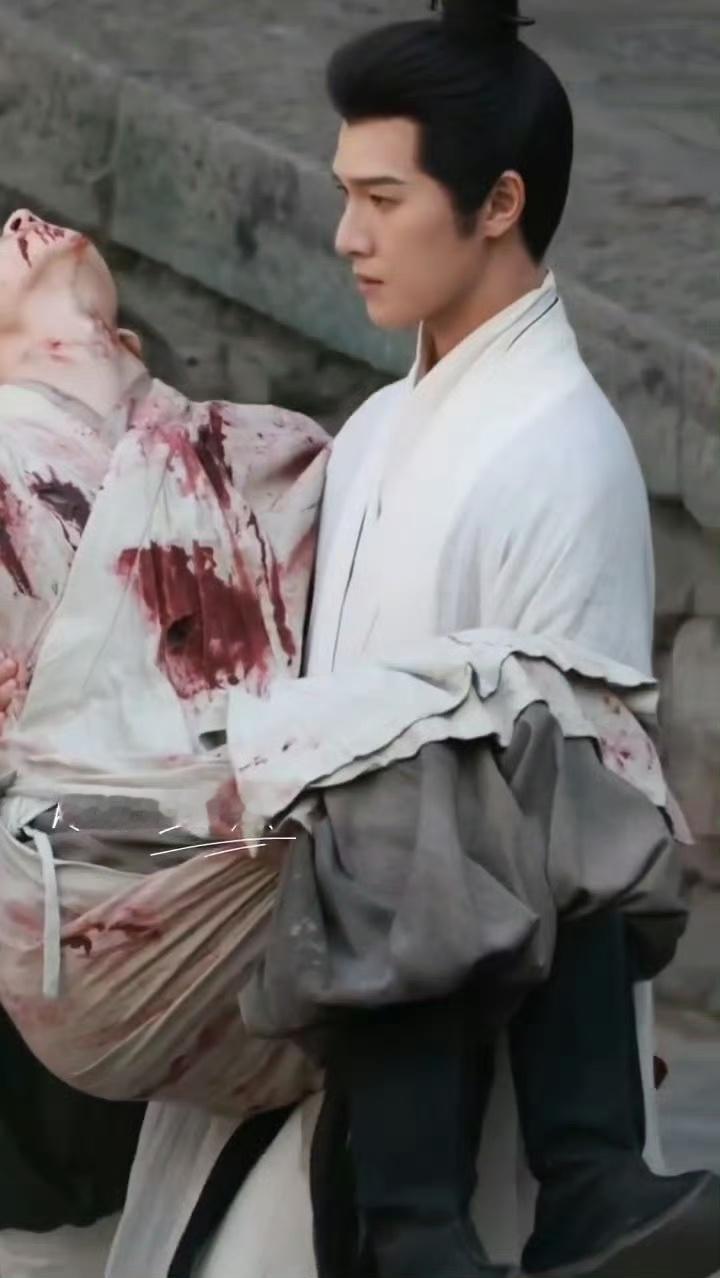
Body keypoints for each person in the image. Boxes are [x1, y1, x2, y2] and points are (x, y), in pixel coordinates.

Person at [99, 3, 719, 1278]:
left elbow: (569, 815)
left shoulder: (563, 452)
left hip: (457, 1052)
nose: (347, 235)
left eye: (383, 199)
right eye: (346, 194)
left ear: (499, 203)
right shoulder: (383, 425)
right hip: (341, 969)